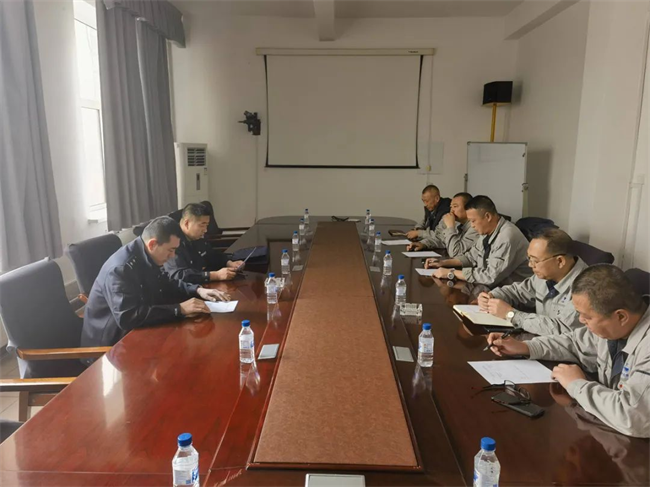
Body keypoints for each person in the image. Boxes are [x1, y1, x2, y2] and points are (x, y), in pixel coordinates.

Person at [487, 264, 650, 438]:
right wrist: (526, 346)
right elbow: (573, 342)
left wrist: (576, 384)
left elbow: (634, 418)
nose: (581, 320)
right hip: (610, 430)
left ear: (621, 316)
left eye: (587, 317)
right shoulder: (615, 326)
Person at [81, 216, 229, 348]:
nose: (173, 256)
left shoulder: (147, 253)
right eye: (170, 250)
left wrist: (197, 290)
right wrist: (179, 309)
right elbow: (128, 317)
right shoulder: (120, 269)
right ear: (152, 244)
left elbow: (166, 283)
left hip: (138, 331)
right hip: (111, 345)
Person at [476, 228, 588, 335]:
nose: (530, 265)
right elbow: (518, 292)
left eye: (535, 260)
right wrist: (492, 296)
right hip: (539, 339)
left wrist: (511, 315)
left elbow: (561, 329)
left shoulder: (586, 288)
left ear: (560, 261)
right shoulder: (545, 275)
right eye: (529, 258)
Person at [424, 195, 531, 287]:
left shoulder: (507, 237)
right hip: (492, 289)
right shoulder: (487, 232)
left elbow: (490, 276)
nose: (472, 225)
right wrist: (443, 263)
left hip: (514, 295)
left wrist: (451, 273)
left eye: (473, 221)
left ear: (487, 216)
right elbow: (471, 257)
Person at [164, 203, 244, 284]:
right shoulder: (172, 243)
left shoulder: (196, 236)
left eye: (207, 225)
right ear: (187, 223)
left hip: (202, 284)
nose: (205, 230)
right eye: (202, 225)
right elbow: (179, 275)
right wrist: (215, 275)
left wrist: (229, 263)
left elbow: (211, 254)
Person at [407, 192, 478, 258]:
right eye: (451, 207)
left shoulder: (475, 228)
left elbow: (455, 253)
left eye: (455, 206)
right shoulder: (458, 223)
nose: (451, 210)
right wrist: (424, 244)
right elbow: (441, 239)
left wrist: (450, 227)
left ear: (468, 208)